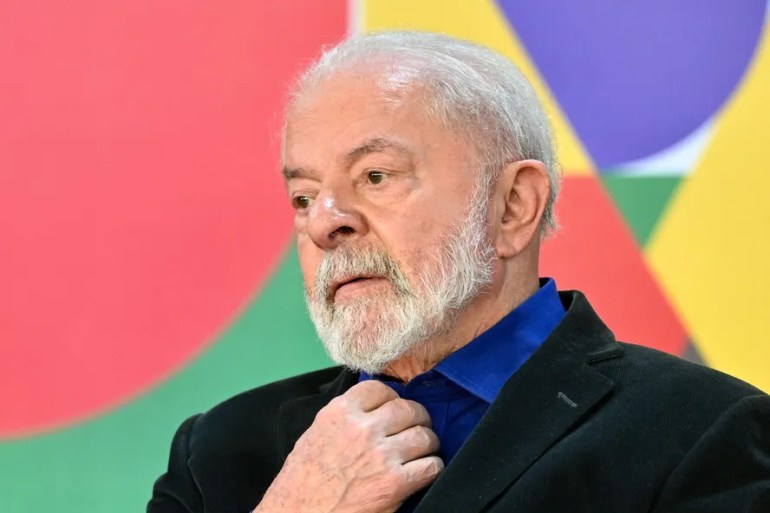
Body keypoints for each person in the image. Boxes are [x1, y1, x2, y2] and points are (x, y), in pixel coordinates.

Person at [147, 31, 770, 513]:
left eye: (375, 176)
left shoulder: (703, 433)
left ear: (513, 206)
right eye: (303, 197)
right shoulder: (219, 450)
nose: (324, 224)